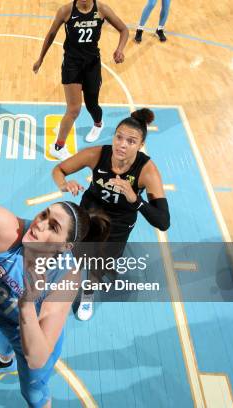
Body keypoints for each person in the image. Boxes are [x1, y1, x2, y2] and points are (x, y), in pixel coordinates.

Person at [0, 178, 110, 407]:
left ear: (64, 247)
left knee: (34, 394)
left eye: (53, 227)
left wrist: (27, 303)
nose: (40, 224)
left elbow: (37, 359)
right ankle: (5, 363)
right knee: (1, 348)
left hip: (29, 336)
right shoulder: (13, 230)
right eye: (44, 215)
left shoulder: (66, 277)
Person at [51, 108, 170, 320]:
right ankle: (65, 282)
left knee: (98, 266)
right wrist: (63, 184)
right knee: (75, 256)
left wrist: (136, 200)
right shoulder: (96, 154)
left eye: (131, 141)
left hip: (118, 226)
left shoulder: (147, 171)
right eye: (119, 137)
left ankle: (87, 295)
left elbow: (163, 221)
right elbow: (59, 170)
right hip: (90, 216)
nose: (122, 144)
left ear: (141, 145)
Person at [33, 0, 129, 159]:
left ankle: (98, 124)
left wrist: (120, 49)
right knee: (73, 109)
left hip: (92, 65)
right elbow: (51, 34)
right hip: (72, 65)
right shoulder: (66, 11)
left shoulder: (102, 9)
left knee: (92, 104)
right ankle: (57, 147)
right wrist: (40, 59)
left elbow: (124, 30)